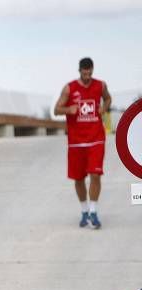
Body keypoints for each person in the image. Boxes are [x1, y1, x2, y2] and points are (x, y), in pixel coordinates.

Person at [54, 56, 112, 229]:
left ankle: (94, 212)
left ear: (92, 70)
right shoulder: (69, 88)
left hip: (96, 138)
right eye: (84, 71)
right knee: (79, 178)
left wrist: (104, 108)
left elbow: (108, 99)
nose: (87, 74)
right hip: (76, 141)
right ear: (79, 71)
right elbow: (56, 109)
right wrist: (68, 109)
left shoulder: (100, 85)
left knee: (95, 174)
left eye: (90, 71)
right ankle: (84, 210)